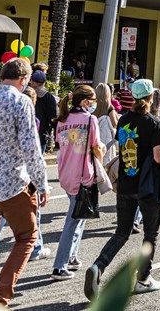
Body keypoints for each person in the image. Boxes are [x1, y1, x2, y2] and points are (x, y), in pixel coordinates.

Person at [0, 57, 50, 307]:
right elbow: (31, 149)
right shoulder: (21, 101)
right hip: (12, 186)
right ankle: (0, 298)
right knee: (27, 237)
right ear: (24, 79)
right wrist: (42, 184)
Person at [85, 79, 160, 299]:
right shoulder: (154, 123)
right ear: (151, 97)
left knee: (121, 233)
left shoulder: (124, 120)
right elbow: (158, 157)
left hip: (125, 184)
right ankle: (143, 279)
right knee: (150, 234)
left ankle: (98, 266)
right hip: (148, 186)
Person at [51, 85, 104, 281]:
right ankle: (59, 266)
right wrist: (101, 160)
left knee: (80, 214)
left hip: (66, 173)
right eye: (93, 101)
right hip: (82, 176)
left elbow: (60, 144)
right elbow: (96, 147)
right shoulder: (90, 119)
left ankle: (71, 256)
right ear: (85, 101)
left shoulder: (62, 120)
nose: (94, 104)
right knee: (73, 221)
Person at [30, 69, 58, 152]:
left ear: (32, 82)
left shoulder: (25, 94)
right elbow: (53, 118)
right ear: (44, 83)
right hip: (41, 135)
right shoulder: (49, 97)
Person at [94, 83, 119, 164]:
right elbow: (115, 124)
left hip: (94, 138)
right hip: (106, 140)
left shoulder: (92, 106)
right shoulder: (110, 108)